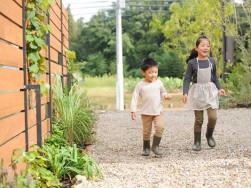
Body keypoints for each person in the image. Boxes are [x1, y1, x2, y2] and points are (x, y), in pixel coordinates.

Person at [183, 36, 227, 151]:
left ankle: (209, 134)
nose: (206, 48)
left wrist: (220, 88)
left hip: (210, 92)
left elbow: (215, 77)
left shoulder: (211, 61)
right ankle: (197, 142)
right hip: (197, 93)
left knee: (213, 117)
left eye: (208, 46)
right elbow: (187, 78)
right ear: (196, 48)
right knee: (199, 120)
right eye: (203, 45)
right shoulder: (192, 63)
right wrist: (185, 92)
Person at [131, 58, 172, 157]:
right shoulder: (140, 85)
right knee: (146, 132)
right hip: (146, 112)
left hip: (158, 111)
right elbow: (134, 97)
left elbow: (163, 91)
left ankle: (155, 146)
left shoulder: (159, 83)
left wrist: (165, 95)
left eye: (155, 72)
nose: (153, 75)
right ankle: (146, 148)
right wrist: (133, 110)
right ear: (143, 72)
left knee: (160, 127)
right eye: (150, 72)